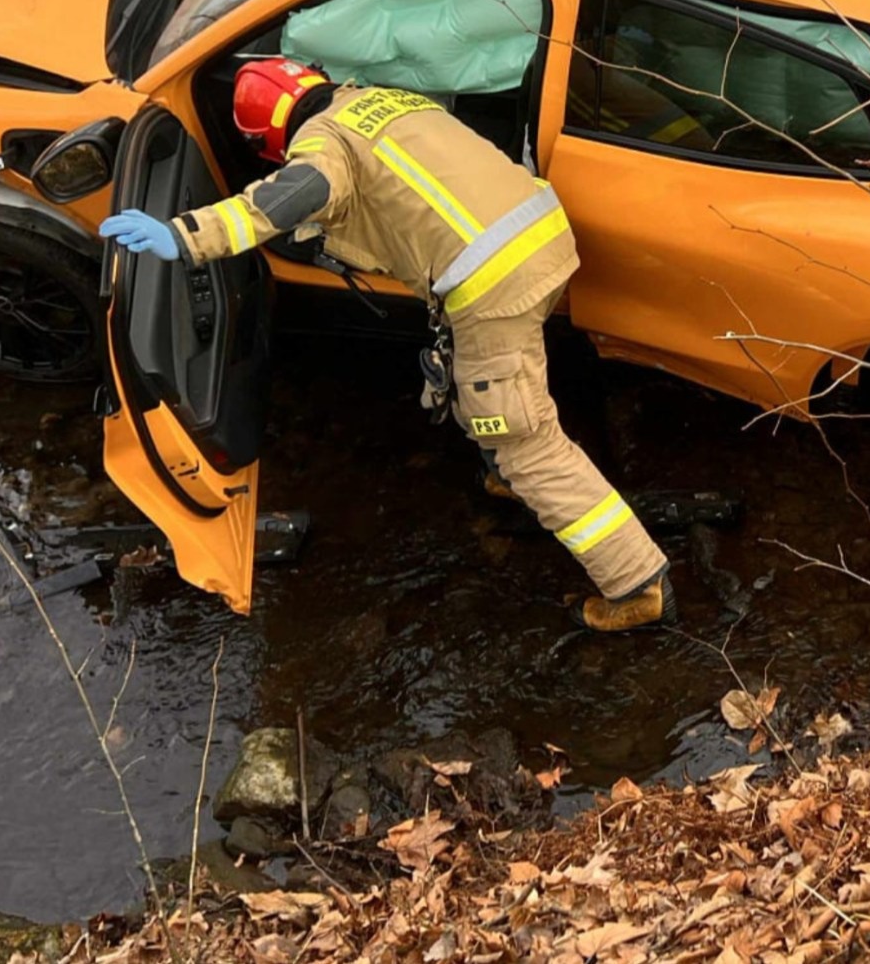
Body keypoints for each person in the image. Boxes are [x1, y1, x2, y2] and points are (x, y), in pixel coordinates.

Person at [98, 58, 674, 631]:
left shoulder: (322, 146)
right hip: (538, 237)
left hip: (493, 282)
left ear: (268, 139)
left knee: (526, 439)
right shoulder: (381, 100)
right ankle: (502, 467)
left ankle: (636, 584)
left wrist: (186, 235)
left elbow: (289, 199)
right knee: (488, 388)